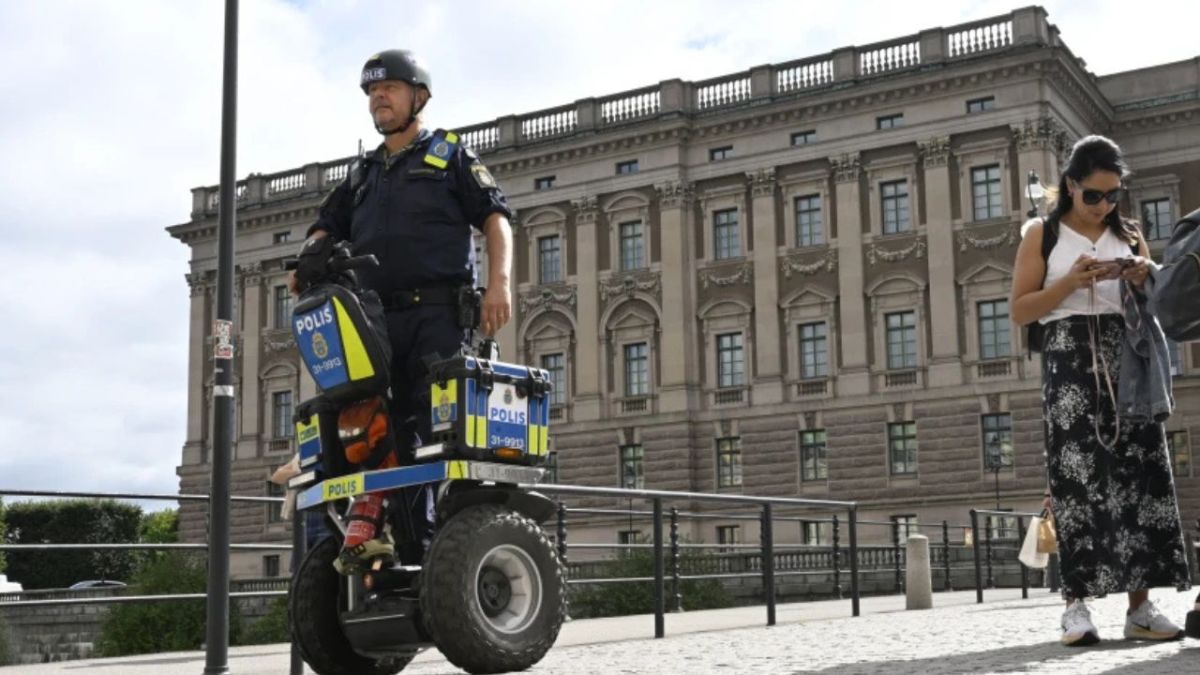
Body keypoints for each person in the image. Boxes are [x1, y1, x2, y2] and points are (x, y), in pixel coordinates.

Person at [291, 49, 514, 571]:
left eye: (388, 88)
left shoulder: (450, 155)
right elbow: (325, 224)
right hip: (373, 322)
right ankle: (393, 542)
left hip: (438, 318)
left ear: (419, 96)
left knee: (436, 434)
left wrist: (499, 284)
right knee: (374, 431)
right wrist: (312, 251)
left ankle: (441, 549)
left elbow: (495, 219)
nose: (378, 99)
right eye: (372, 92)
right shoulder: (362, 174)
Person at [1010, 135, 1191, 646]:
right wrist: (1069, 282)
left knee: (1142, 476)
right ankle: (1076, 607)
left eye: (1113, 195)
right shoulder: (1041, 234)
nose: (1104, 205)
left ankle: (1140, 608)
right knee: (1077, 480)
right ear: (1071, 185)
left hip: (1130, 356)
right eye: (1094, 194)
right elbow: (1020, 310)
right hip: (1069, 361)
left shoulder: (1129, 233)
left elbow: (1158, 303)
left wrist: (1143, 275)